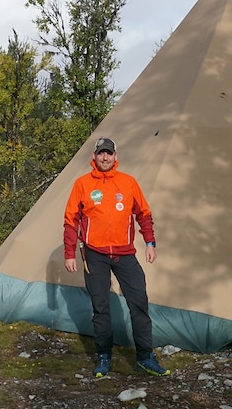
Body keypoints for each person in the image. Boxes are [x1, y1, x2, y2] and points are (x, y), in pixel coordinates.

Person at [63, 136, 170, 377]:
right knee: (101, 308)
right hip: (94, 254)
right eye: (101, 153)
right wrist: (70, 253)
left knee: (139, 303)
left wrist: (150, 243)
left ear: (115, 156)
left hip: (125, 253)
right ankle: (104, 356)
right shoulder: (82, 184)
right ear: (94, 156)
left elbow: (144, 214)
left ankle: (145, 357)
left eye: (108, 153)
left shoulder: (128, 183)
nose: (104, 157)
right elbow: (71, 221)